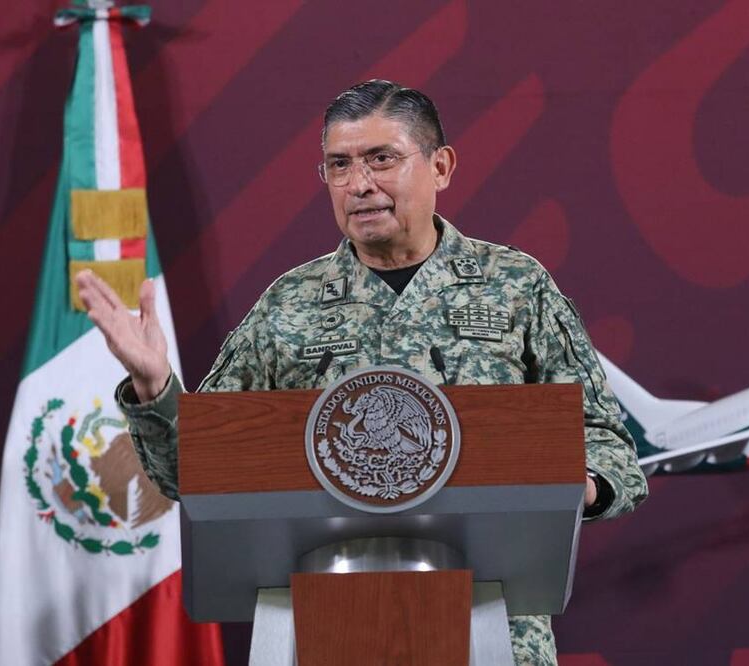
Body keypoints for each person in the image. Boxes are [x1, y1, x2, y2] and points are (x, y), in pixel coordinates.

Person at [77, 79, 648, 665]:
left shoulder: (516, 286)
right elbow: (195, 474)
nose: (360, 184)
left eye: (382, 159)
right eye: (339, 165)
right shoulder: (289, 303)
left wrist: (577, 487)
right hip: (323, 631)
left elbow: (610, 447)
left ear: (441, 166)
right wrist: (154, 386)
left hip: (491, 632)